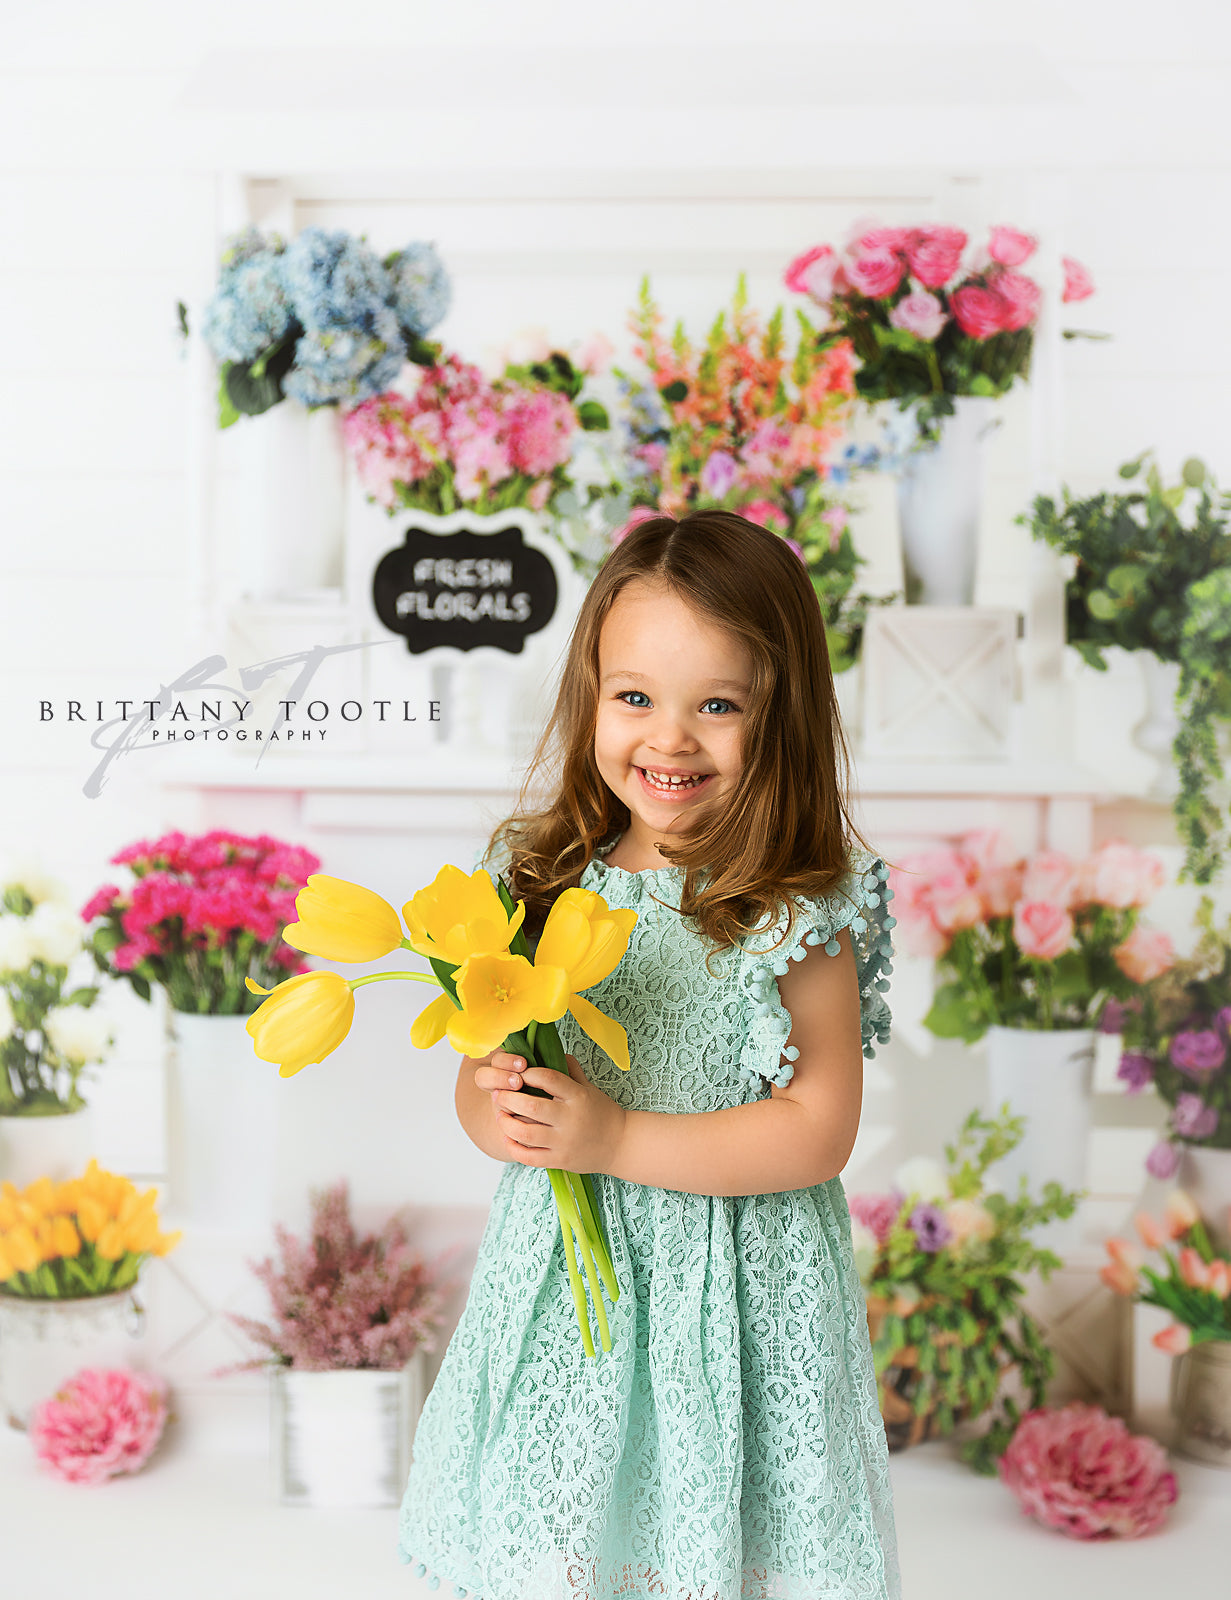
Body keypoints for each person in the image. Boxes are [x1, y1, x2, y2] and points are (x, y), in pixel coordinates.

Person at [397, 509, 902, 1600]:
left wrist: (616, 1133)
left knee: (716, 1539)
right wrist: (501, 1105)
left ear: (783, 717)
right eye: (635, 699)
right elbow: (484, 1079)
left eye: (717, 705)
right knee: (565, 1531)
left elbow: (819, 1128)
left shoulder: (793, 903)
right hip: (570, 1288)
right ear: (590, 697)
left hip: (738, 1292)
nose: (669, 740)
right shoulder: (541, 872)